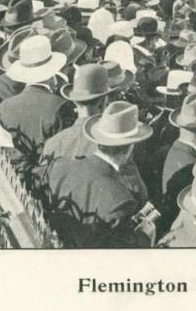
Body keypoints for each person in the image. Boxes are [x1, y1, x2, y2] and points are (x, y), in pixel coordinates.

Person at [43, 101, 153, 247]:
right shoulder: (122, 199)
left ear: (98, 140)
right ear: (129, 148)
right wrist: (146, 236)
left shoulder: (60, 166)